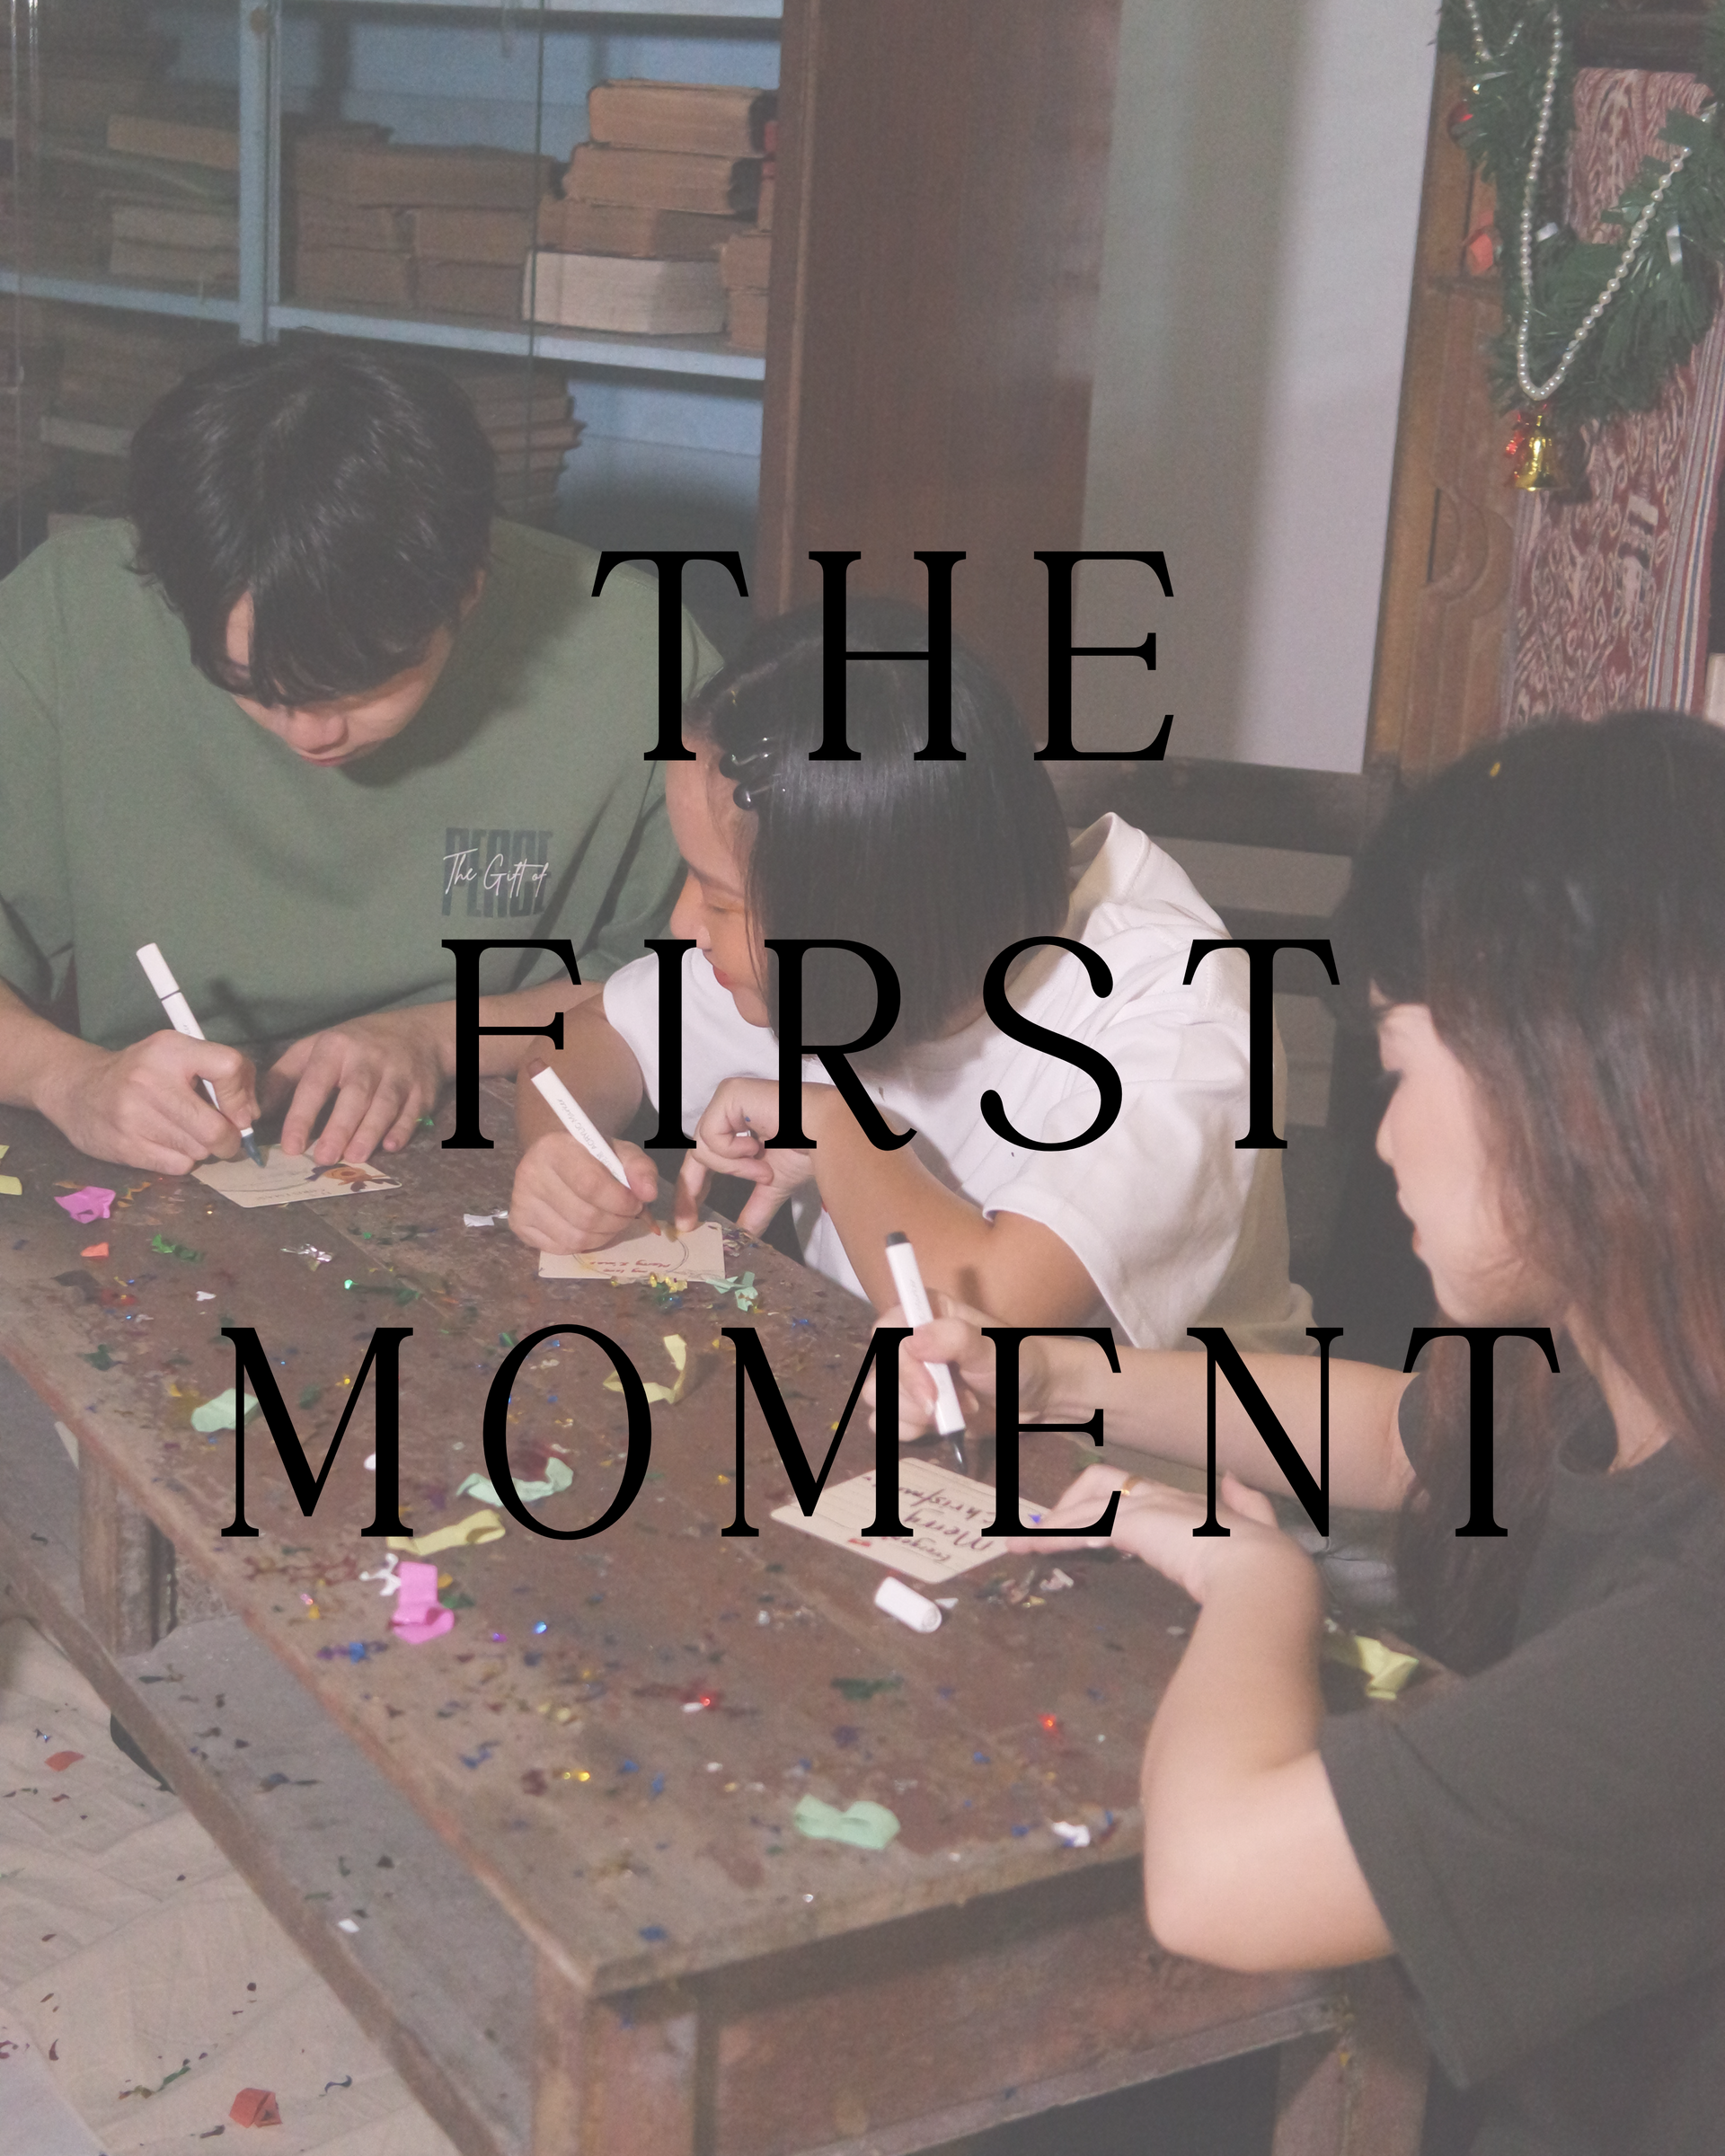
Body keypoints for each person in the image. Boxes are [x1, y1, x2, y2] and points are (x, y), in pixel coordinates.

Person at [889, 710, 1725, 2156]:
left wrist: (1256, 1578)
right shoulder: (1634, 1374)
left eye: (1401, 1067)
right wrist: (1061, 1382)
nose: (1381, 1138)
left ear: (1576, 1078)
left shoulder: (1696, 1625)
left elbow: (1217, 1879)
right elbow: (1406, 1438)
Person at [509, 597, 1312, 1348]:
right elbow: (587, 1039)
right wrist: (566, 1156)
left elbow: (993, 1320)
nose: (684, 925)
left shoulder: (1176, 1013)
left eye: (718, 897)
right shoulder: (832, 956)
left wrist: (835, 1126)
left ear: (855, 914)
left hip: (1140, 1450)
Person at [0, 344, 710, 1176]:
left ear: (468, 589)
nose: (309, 734)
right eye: (250, 686)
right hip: (161, 1141)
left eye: (357, 686)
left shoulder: (637, 655)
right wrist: (69, 1080)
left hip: (500, 1130)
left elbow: (695, 984)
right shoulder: (70, 616)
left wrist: (434, 1037)